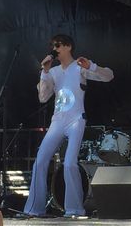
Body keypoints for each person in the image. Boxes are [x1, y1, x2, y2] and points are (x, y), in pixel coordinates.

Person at [23, 34, 114, 218]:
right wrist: (45, 72)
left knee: (70, 163)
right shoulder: (53, 72)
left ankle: (74, 209)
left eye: (58, 45)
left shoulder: (79, 67)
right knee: (40, 161)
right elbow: (43, 97)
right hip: (57, 121)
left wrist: (92, 67)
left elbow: (109, 76)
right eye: (53, 46)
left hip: (76, 119)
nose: (54, 49)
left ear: (68, 47)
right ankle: (34, 209)